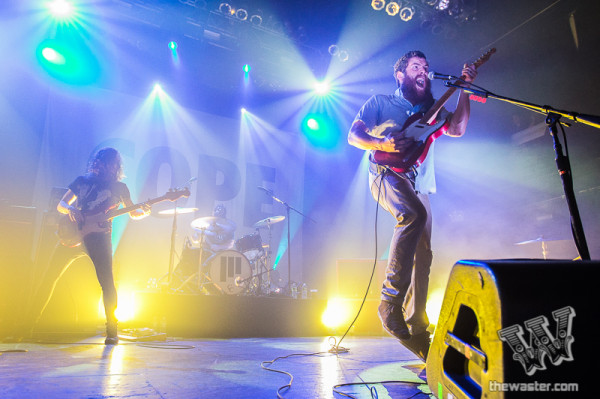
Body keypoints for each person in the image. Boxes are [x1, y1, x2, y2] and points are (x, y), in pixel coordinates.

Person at [348, 50, 477, 360]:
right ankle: (389, 303)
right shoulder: (380, 102)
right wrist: (381, 142)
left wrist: (465, 89)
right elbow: (354, 135)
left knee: (424, 252)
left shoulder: (432, 110)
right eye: (416, 67)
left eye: (426, 67)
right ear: (400, 75)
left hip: (417, 182)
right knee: (413, 216)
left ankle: (416, 329)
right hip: (384, 173)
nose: (423, 71)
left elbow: (458, 128)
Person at [28, 147, 150, 345]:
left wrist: (144, 210)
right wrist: (70, 209)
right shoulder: (81, 181)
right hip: (75, 235)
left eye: (101, 162)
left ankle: (112, 330)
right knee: (49, 276)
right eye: (95, 161)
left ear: (113, 165)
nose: (96, 164)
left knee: (107, 283)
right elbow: (61, 204)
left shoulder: (120, 188)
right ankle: (28, 326)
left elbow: (133, 213)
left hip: (100, 239)